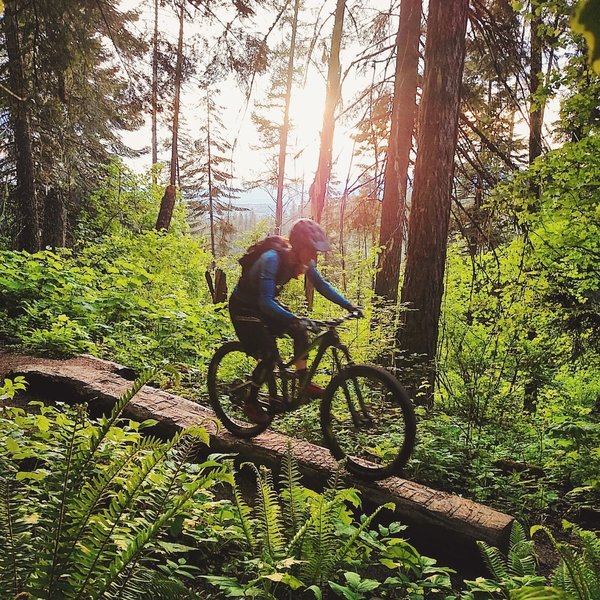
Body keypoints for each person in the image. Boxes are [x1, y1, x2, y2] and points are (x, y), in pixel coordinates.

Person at [229, 218, 361, 423]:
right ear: (299, 246)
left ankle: (303, 383)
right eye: (312, 250)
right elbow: (265, 302)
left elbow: (322, 286)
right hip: (244, 307)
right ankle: (251, 401)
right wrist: (294, 318)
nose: (314, 256)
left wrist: (349, 306)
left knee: (300, 329)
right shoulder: (272, 258)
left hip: (264, 305)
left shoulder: (303, 261)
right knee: (269, 354)